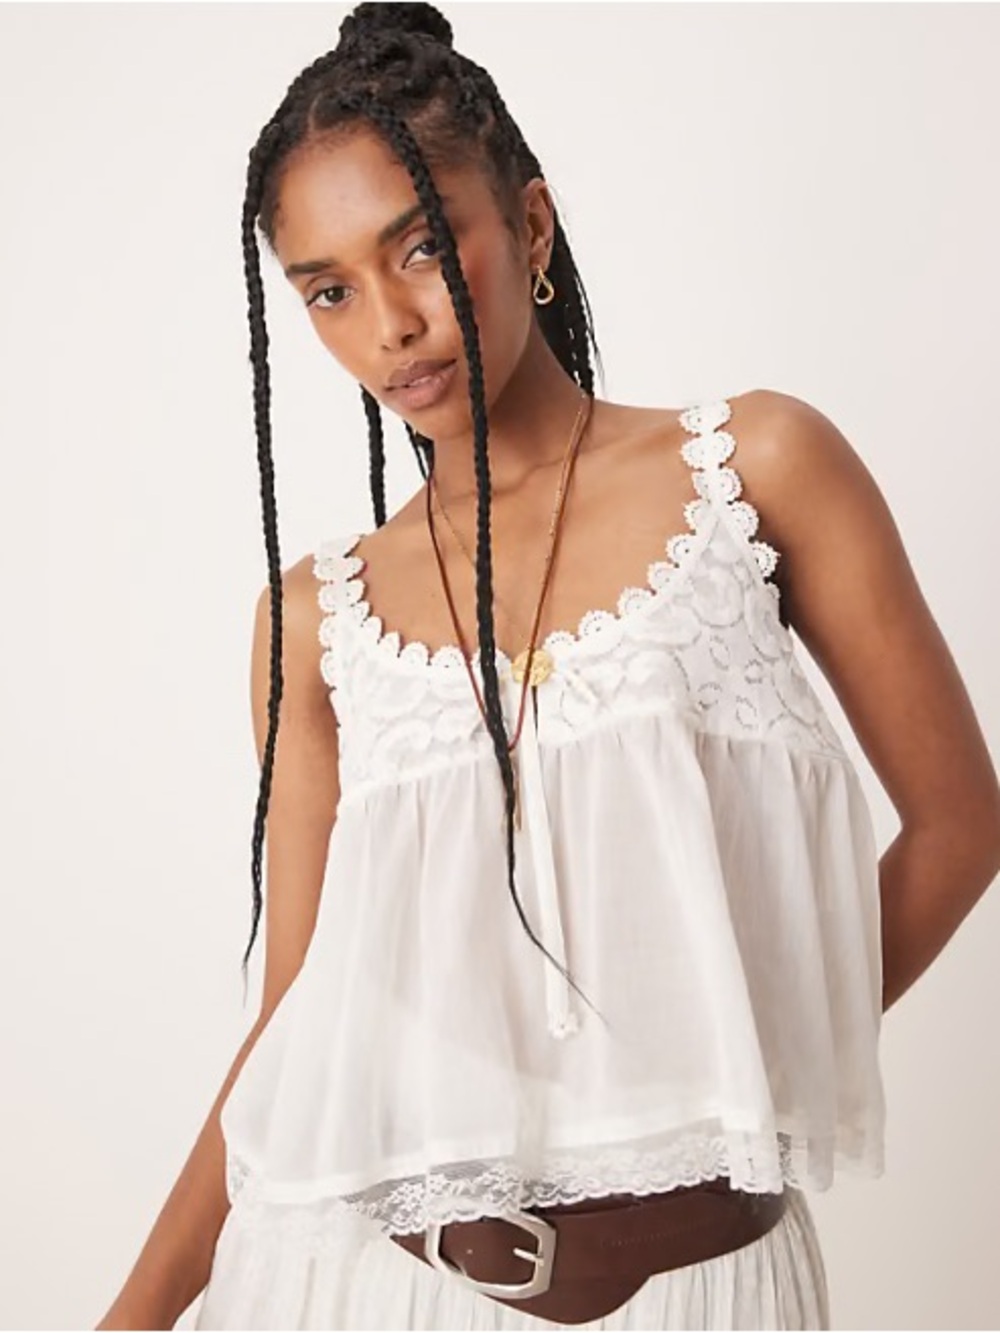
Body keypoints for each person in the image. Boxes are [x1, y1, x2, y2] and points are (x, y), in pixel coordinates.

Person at [96, 3, 1000, 1330]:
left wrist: (744, 1061)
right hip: (387, 1291)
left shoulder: (755, 468)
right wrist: (130, 1316)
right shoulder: (314, 621)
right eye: (330, 290)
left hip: (713, 1285)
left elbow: (963, 822)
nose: (391, 324)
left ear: (528, 227)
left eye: (421, 245)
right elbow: (295, 1022)